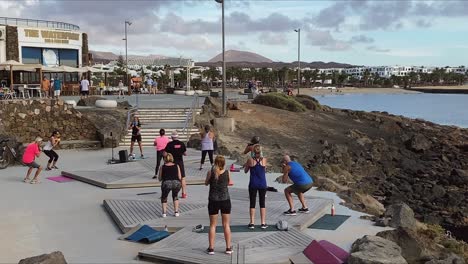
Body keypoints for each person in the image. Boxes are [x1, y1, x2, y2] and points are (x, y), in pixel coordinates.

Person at [205, 155, 232, 255]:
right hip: (225, 200)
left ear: (215, 163)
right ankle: (228, 248)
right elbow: (229, 182)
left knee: (212, 225)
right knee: (226, 225)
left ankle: (211, 248)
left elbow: (206, 183)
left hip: (213, 200)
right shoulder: (227, 172)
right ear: (224, 163)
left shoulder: (210, 172)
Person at [243, 144, 268, 229]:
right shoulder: (264, 160)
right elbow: (264, 170)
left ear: (253, 151)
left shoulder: (250, 160)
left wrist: (247, 165)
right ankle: (263, 223)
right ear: (261, 151)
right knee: (262, 203)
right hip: (262, 183)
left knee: (252, 203)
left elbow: (246, 171)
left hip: (253, 183)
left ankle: (252, 222)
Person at [158, 153, 182, 217]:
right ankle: (176, 212)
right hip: (176, 183)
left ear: (165, 159)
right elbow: (180, 177)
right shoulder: (177, 166)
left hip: (166, 183)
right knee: (175, 196)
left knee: (164, 197)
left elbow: (160, 178)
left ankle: (164, 213)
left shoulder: (162, 167)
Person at [165, 131, 188, 198]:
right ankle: (183, 193)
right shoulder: (181, 144)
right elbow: (185, 154)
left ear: (172, 137)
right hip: (180, 163)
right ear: (178, 137)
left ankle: (169, 193)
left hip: (172, 163)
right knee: (182, 178)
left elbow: (165, 153)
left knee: (171, 178)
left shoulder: (169, 144)